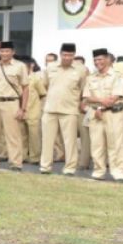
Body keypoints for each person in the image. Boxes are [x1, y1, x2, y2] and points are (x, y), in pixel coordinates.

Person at [0, 41, 29, 170]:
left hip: (11, 103)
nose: (5, 53)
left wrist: (22, 108)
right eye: (2, 51)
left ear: (13, 52)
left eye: (8, 51)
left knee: (13, 136)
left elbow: (25, 88)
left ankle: (15, 163)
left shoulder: (20, 66)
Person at [82, 48, 123, 182]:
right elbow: (87, 98)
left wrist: (100, 106)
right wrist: (101, 102)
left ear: (108, 59)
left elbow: (114, 98)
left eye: (100, 59)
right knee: (97, 145)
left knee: (116, 145)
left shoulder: (118, 76)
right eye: (95, 60)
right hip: (95, 114)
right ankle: (98, 172)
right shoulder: (91, 77)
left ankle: (119, 173)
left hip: (113, 114)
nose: (97, 62)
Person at [39, 43, 85, 175]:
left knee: (70, 141)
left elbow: (83, 89)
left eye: (70, 55)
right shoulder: (51, 67)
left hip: (69, 110)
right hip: (50, 109)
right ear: (60, 54)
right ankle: (45, 166)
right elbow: (46, 85)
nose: (67, 57)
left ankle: (70, 168)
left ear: (74, 55)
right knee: (47, 140)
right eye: (64, 55)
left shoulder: (81, 69)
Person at [24, 57, 46, 164]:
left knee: (34, 136)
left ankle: (35, 157)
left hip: (33, 110)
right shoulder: (17, 79)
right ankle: (22, 156)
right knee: (21, 135)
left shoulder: (36, 78)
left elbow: (42, 93)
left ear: (30, 67)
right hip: (20, 111)